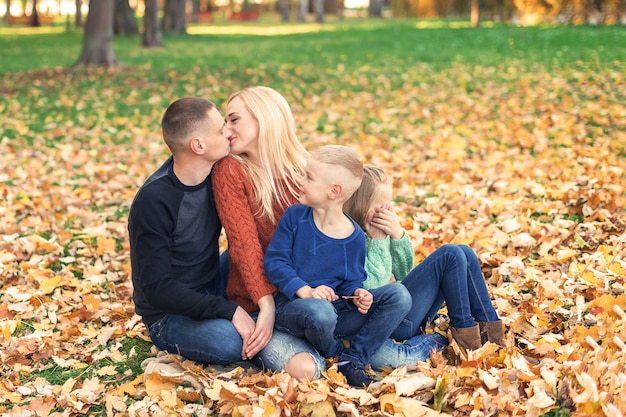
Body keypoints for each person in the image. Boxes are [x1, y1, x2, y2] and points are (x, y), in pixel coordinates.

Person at [264, 145, 412, 387]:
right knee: (320, 311)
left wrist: (357, 294)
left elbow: (351, 280)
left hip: (337, 311)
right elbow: (275, 262)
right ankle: (333, 350)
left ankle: (352, 359)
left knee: (399, 295)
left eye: (309, 177)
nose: (301, 181)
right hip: (294, 308)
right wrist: (305, 291)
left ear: (334, 191)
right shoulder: (295, 217)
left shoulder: (354, 236)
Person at [129, 97, 260, 367]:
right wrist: (229, 309)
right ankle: (252, 327)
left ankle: (263, 324)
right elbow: (157, 289)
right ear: (198, 145)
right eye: (220, 128)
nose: (228, 131)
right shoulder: (155, 200)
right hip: (168, 313)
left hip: (212, 281)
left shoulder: (219, 173)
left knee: (263, 260)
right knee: (228, 342)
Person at [212, 86, 323, 380]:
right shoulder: (231, 170)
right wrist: (266, 305)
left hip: (314, 294)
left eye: (234, 120)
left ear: (264, 118)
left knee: (388, 342)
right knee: (306, 371)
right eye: (225, 122)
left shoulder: (306, 170)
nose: (226, 130)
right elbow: (243, 244)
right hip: (260, 302)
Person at [344, 165, 504, 358]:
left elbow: (404, 272)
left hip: (406, 312)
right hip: (389, 321)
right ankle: (465, 340)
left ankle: (492, 335)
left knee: (464, 252)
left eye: (390, 203)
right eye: (382, 205)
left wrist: (397, 236)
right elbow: (374, 289)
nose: (389, 210)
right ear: (361, 206)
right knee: (450, 255)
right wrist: (378, 242)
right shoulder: (352, 238)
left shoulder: (375, 231)